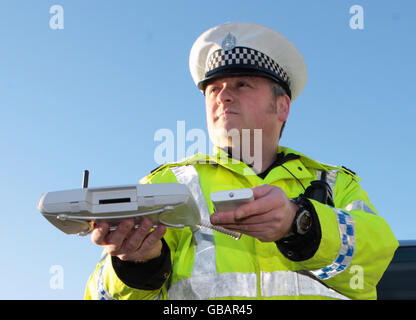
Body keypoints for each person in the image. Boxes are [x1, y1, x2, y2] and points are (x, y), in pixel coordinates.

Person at [84, 22, 398, 300]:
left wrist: (301, 224)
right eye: (214, 89)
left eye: (241, 84)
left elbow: (375, 258)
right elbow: (100, 296)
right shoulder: (167, 184)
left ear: (282, 106)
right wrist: (137, 267)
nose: (222, 96)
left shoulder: (334, 182)